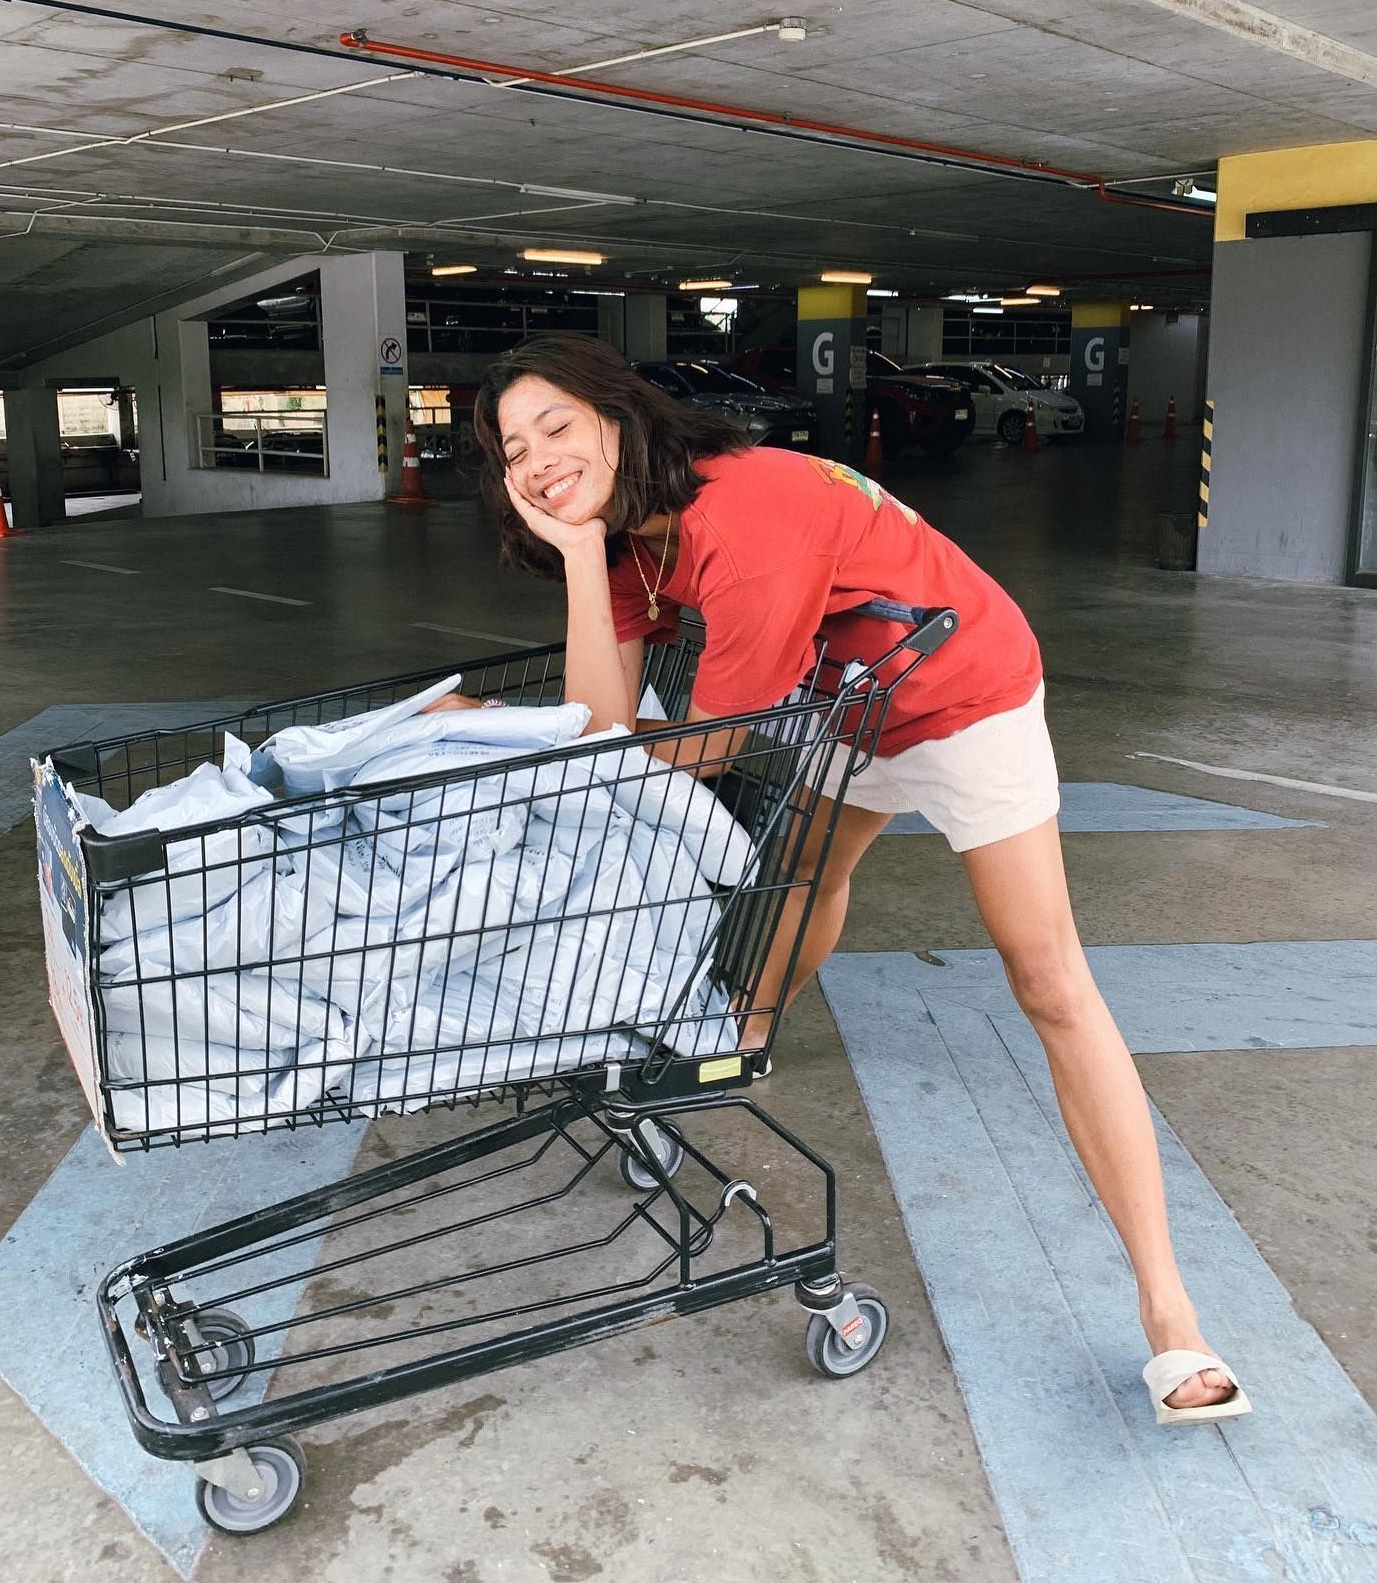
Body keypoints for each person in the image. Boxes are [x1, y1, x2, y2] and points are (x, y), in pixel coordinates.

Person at [467, 332, 1249, 1429]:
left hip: (964, 692)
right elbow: (603, 723)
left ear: (618, 414)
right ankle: (738, 1038)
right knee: (803, 876)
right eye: (514, 450)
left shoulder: (746, 516)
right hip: (849, 693)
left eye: (557, 426)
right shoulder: (632, 531)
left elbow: (688, 756)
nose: (540, 459)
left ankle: (1170, 1311)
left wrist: (496, 730)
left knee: (1048, 980)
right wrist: (585, 559)